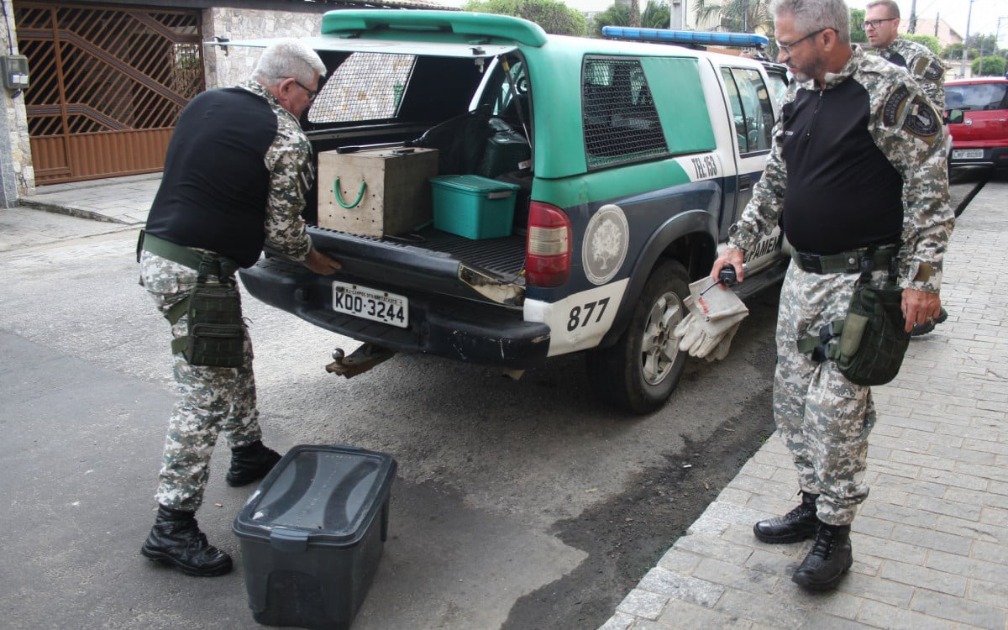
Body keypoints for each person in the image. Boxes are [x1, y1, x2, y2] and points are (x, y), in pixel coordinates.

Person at [710, 0, 953, 591]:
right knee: (792, 400)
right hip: (804, 277)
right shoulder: (799, 96)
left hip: (863, 284)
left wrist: (923, 280)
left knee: (836, 409)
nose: (780, 54)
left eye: (788, 44)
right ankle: (812, 502)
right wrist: (740, 242)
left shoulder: (887, 92)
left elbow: (929, 183)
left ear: (825, 37)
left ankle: (835, 536)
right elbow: (778, 178)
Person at [137, 39, 341, 577]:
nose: (308, 107)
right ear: (286, 88)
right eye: (308, 97)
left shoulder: (207, 102)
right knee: (202, 399)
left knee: (236, 356)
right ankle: (171, 527)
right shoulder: (284, 133)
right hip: (195, 272)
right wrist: (315, 260)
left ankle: (248, 451)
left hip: (162, 252)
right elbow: (282, 234)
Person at [864, 0, 950, 336]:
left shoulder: (918, 59)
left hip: (912, 170)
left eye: (877, 22)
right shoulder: (866, 61)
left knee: (917, 237)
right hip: (878, 172)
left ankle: (922, 307)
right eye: (867, 23)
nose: (870, 28)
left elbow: (928, 119)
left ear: (896, 23)